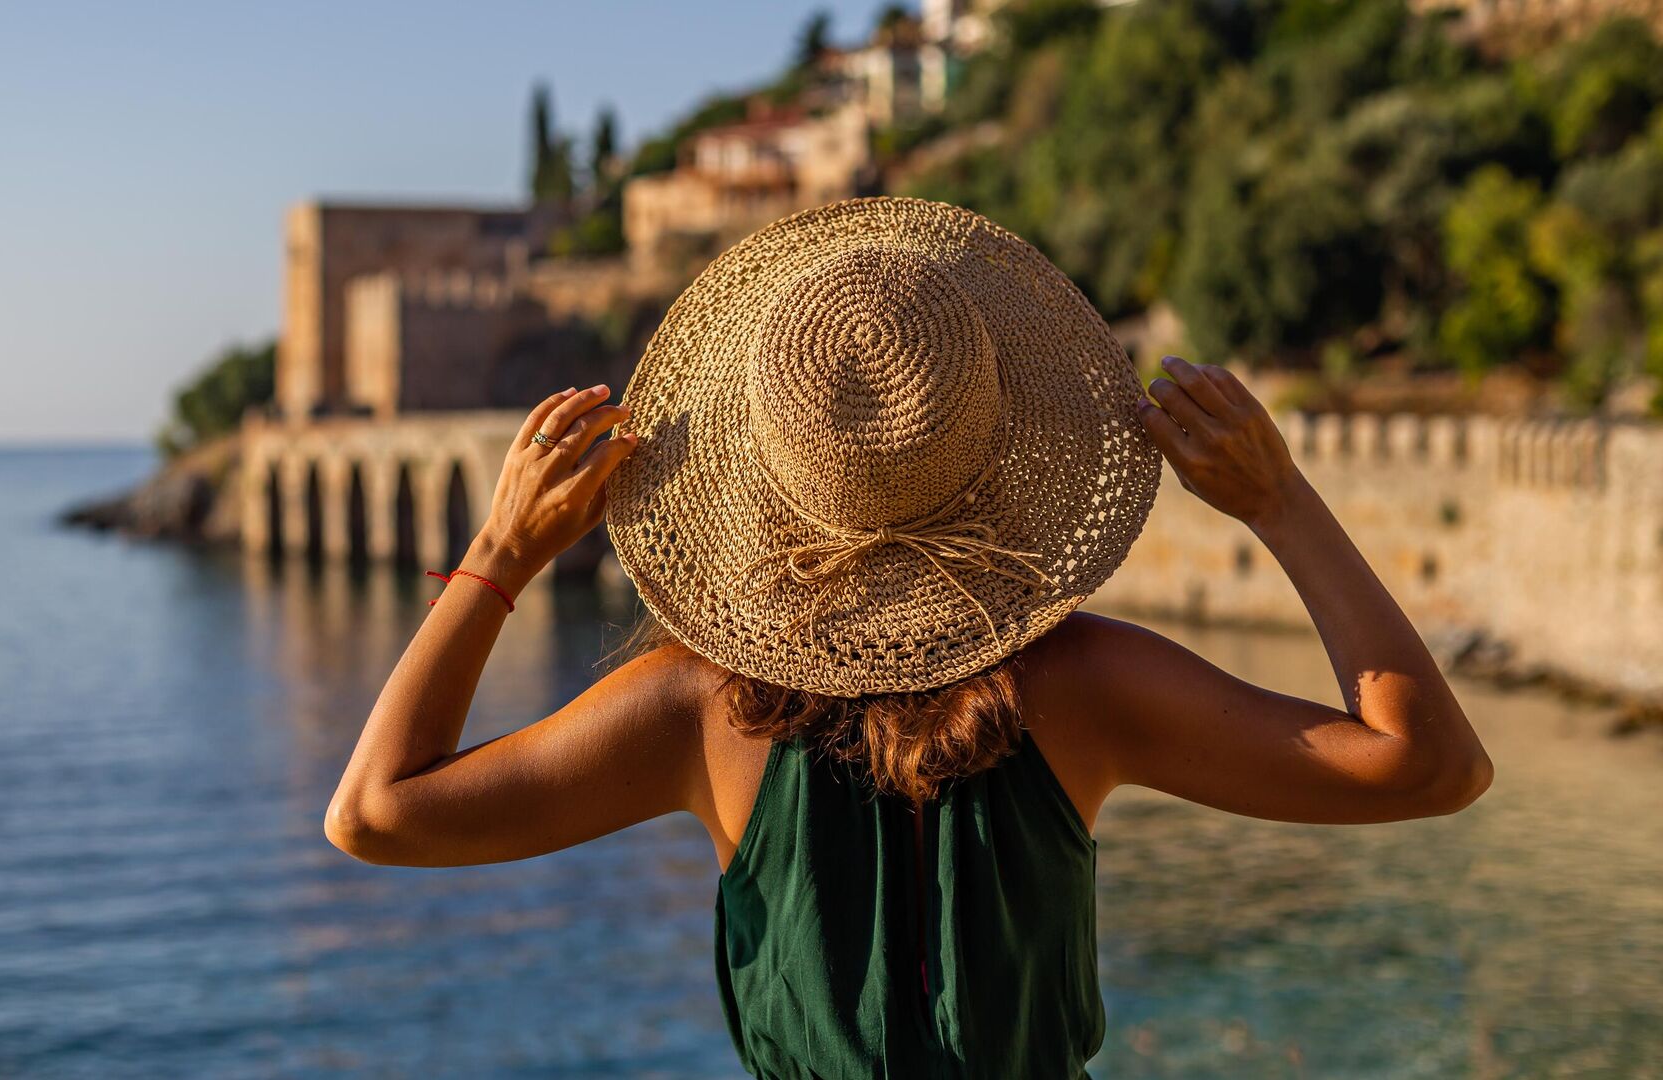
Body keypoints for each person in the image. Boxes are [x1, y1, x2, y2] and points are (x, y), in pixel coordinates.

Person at [324, 198, 1493, 1078]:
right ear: (1000, 444)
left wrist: (502, 555)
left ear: (763, 472)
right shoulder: (1082, 688)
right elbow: (1433, 765)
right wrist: (1280, 501)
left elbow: (373, 814)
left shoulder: (700, 711)